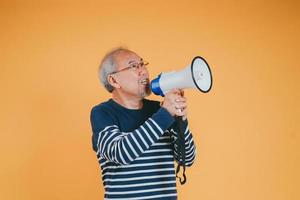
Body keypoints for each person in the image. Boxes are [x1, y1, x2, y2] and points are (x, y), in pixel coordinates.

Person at [90, 48, 196, 200]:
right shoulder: (103, 113)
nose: (144, 71)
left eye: (142, 64)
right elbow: (122, 153)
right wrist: (165, 114)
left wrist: (181, 120)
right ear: (114, 80)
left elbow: (187, 159)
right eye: (134, 66)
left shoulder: (159, 110)